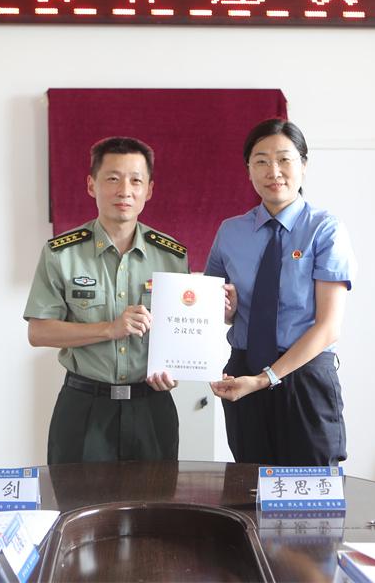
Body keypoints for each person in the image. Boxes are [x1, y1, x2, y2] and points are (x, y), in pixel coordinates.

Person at [24, 136, 188, 464]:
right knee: (75, 496)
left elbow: (180, 332)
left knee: (156, 498)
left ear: (149, 190)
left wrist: (177, 368)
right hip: (84, 406)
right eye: (112, 178)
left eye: (135, 180)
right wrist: (109, 329)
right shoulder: (61, 253)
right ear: (91, 185)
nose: (124, 190)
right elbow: (38, 332)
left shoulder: (172, 256)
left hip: (151, 406)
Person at [206, 118, 356, 466]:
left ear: (303, 165)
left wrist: (267, 378)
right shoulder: (230, 232)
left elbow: (328, 327)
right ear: (248, 170)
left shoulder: (325, 229)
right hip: (244, 372)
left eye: (284, 159)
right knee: (249, 486)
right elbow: (214, 307)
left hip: (304, 377)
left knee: (311, 489)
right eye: (261, 161)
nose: (273, 171)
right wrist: (226, 309)